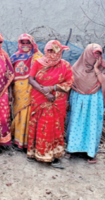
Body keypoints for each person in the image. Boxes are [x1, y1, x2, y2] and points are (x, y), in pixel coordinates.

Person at [27, 40, 73, 168]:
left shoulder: (65, 65)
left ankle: (53, 154)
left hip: (58, 101)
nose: (52, 54)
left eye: (55, 51)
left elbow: (69, 83)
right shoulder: (38, 63)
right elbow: (31, 79)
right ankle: (38, 153)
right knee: (42, 125)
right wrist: (45, 92)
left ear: (60, 51)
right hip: (40, 98)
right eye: (49, 51)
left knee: (55, 127)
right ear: (46, 50)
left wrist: (52, 88)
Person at [66, 44, 105, 163]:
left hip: (94, 100)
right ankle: (72, 149)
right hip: (78, 99)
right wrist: (66, 100)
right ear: (87, 53)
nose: (97, 56)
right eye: (94, 53)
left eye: (99, 53)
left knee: (92, 124)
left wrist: (96, 69)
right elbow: (69, 84)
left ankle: (90, 153)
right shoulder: (76, 67)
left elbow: (104, 83)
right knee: (75, 122)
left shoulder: (103, 67)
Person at [10, 33, 43, 152]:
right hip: (18, 90)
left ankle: (29, 141)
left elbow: (43, 73)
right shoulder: (14, 57)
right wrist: (9, 91)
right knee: (19, 113)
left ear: (32, 43)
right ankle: (18, 140)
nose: (25, 45)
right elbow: (9, 74)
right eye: (22, 42)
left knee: (30, 113)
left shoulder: (38, 56)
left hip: (33, 88)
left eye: (27, 42)